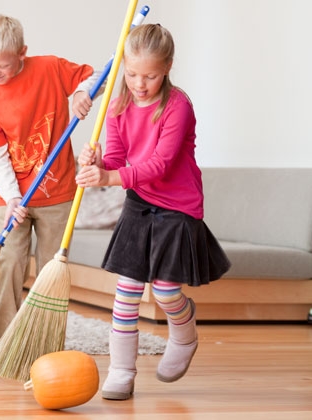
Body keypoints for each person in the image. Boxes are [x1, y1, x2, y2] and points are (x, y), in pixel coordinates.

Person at [76, 24, 230, 400]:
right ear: (123, 68)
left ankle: (184, 329)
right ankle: (122, 371)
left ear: (168, 68)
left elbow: (160, 164)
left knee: (164, 290)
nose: (139, 84)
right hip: (140, 204)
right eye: (131, 74)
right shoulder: (117, 105)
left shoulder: (178, 106)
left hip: (177, 205)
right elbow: (115, 157)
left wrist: (110, 177)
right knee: (127, 291)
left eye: (150, 76)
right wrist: (97, 162)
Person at [0, 13, 103, 360]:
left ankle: (45, 348)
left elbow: (95, 78)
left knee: (51, 272)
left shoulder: (49, 69)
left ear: (22, 53)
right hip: (10, 195)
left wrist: (80, 93)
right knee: (10, 262)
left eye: (3, 65)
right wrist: (13, 197)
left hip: (58, 192)